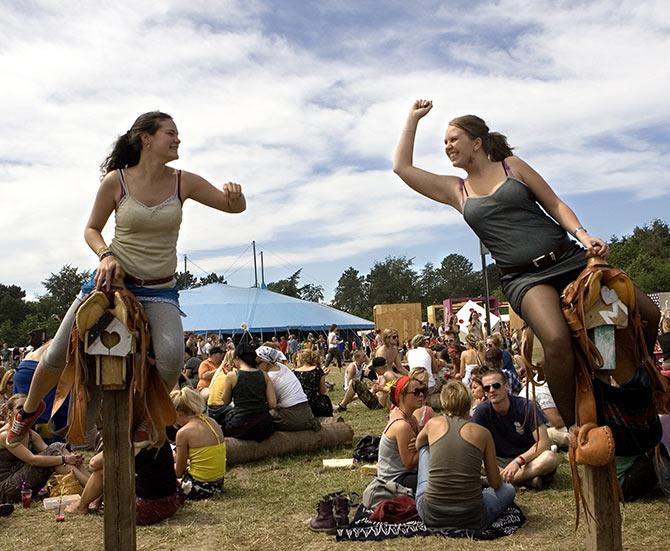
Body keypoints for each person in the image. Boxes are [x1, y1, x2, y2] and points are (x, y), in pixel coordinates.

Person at [393, 100, 661, 427]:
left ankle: (638, 386)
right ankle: (578, 427)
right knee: (557, 340)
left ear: (477, 143)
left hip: (567, 257)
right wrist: (412, 119)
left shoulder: (512, 167)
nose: (447, 146)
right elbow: (402, 168)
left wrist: (582, 235)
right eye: (444, 143)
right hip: (524, 279)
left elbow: (555, 204)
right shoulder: (456, 190)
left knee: (647, 312)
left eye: (453, 139)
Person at [7, 111, 247, 446]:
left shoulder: (183, 181)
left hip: (159, 290)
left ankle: (141, 420)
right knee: (58, 351)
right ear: (145, 139)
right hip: (111, 282)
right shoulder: (116, 181)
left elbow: (232, 207)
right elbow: (91, 230)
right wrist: (106, 255)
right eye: (170, 133)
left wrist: (236, 198)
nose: (178, 139)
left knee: (171, 357)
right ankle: (26, 414)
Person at [415, 380, 515, 529]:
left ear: (444, 403)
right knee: (509, 489)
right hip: (472, 517)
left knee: (424, 448)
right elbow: (495, 483)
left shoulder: (433, 424)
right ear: (469, 403)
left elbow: (418, 444)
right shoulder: (483, 433)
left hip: (431, 514)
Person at [472, 369, 559, 488]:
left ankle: (498, 481)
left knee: (550, 458)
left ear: (506, 386)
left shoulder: (525, 406)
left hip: (527, 460)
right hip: (497, 461)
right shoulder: (481, 411)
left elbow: (544, 442)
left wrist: (518, 461)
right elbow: (475, 447)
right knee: (473, 460)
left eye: (496, 386)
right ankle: (526, 480)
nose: (492, 390)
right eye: (487, 388)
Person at [0, 394, 89, 503]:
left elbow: (51, 453)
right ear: (10, 412)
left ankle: (93, 487)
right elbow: (32, 459)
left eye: (27, 409)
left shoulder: (31, 434)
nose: (24, 411)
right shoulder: (5, 435)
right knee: (57, 451)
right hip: (7, 489)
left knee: (57, 451)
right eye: (19, 408)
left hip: (23, 484)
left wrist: (71, 458)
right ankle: (93, 490)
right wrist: (65, 458)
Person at [65, 441, 181, 524]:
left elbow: (93, 463)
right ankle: (94, 502)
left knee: (102, 471)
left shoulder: (137, 440)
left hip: (148, 510)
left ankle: (81, 506)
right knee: (114, 467)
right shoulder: (156, 434)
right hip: (171, 503)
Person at [362, 376, 426, 508]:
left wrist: (420, 443)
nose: (421, 395)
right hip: (396, 479)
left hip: (405, 474)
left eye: (423, 391)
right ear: (401, 396)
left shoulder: (411, 418)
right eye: (416, 392)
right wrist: (426, 444)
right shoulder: (402, 425)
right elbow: (409, 463)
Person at [171, 387, 226, 500]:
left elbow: (178, 472)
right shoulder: (211, 421)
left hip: (199, 488)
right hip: (218, 484)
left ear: (178, 413)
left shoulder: (183, 433)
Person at [217, 342, 276, 441]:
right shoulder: (264, 375)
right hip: (264, 426)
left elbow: (225, 401)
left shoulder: (232, 376)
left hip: (241, 425)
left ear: (237, 358)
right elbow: (273, 404)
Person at [255, 346, 320, 432]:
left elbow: (270, 403)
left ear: (266, 362)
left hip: (291, 417)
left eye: (257, 363)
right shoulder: (281, 367)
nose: (255, 366)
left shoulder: (270, 377)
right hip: (306, 412)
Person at [293, 350, 333, 418]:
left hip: (298, 402)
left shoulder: (293, 372)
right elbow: (322, 391)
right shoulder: (317, 371)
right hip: (313, 403)